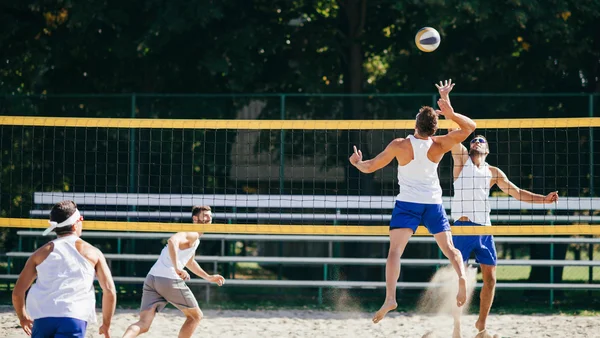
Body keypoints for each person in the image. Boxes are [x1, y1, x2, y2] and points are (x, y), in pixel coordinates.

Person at [349, 79, 477, 324]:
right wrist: (449, 110)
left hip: (407, 203)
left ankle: (390, 298)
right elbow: (470, 126)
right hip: (432, 203)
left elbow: (369, 167)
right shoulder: (440, 144)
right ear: (435, 128)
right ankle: (461, 277)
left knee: (395, 252)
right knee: (451, 250)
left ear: (416, 124)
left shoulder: (400, 145)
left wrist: (356, 161)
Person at [441, 83, 559, 338]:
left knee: (491, 279)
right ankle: (456, 329)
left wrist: (544, 200)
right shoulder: (461, 159)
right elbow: (454, 131)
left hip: (485, 229)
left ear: (487, 151)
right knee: (457, 282)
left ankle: (481, 326)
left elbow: (518, 193)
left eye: (480, 144)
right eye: (474, 143)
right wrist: (447, 104)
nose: (477, 146)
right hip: (461, 228)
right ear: (471, 148)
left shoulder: (493, 173)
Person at [12, 200, 116, 337]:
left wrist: (23, 317)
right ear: (76, 223)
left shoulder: (39, 254)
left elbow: (17, 292)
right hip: (74, 316)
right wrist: (106, 324)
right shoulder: (93, 253)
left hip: (43, 318)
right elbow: (109, 291)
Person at [123, 205, 226, 338]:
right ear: (195, 218)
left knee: (143, 324)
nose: (209, 218)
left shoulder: (195, 238)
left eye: (210, 216)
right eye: (205, 215)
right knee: (196, 317)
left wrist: (208, 277)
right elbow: (172, 241)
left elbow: (189, 261)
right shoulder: (192, 233)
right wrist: (177, 267)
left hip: (152, 278)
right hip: (168, 279)